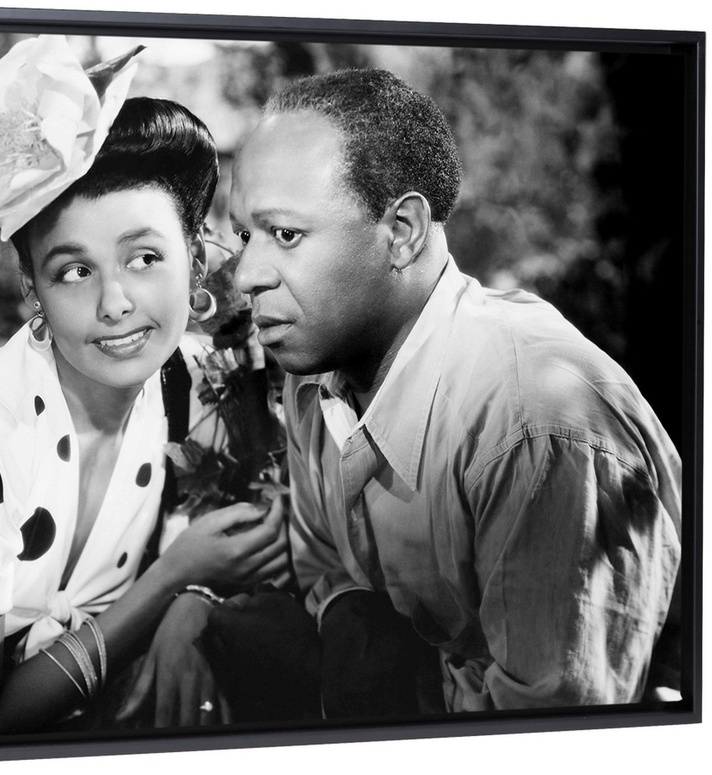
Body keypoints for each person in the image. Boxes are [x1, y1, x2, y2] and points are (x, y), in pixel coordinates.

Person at [0, 36, 286, 742]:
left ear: (194, 260)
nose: (116, 303)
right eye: (74, 271)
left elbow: (248, 537)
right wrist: (168, 582)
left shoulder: (198, 383)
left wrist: (190, 601)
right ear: (32, 288)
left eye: (144, 257)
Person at [199, 66, 682, 716]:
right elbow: (328, 573)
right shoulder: (314, 376)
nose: (246, 274)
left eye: (286, 234)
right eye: (244, 235)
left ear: (402, 232)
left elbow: (553, 730)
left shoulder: (534, 429)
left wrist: (378, 680)